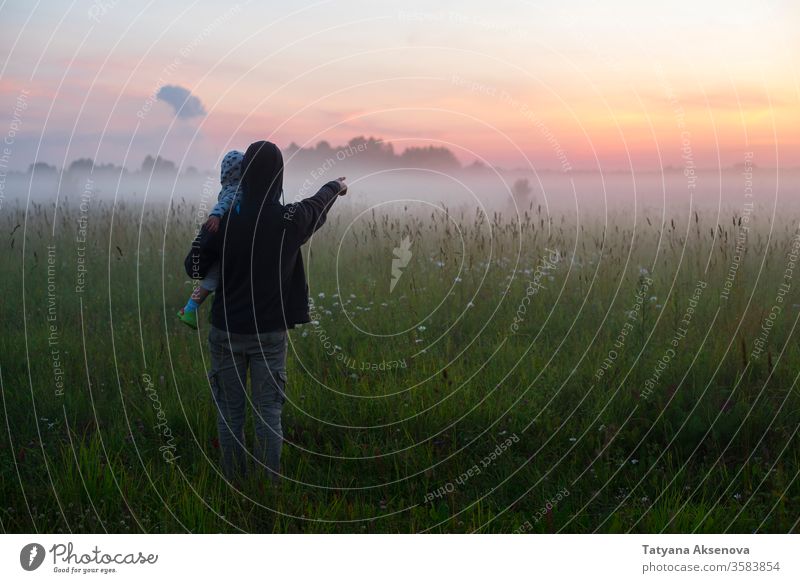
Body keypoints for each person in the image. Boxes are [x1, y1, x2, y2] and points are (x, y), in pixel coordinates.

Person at [185, 140, 347, 484]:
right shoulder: (289, 219)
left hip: (225, 331)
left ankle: (234, 483)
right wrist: (336, 186)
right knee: (268, 414)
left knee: (230, 416)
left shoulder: (226, 217)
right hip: (269, 335)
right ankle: (268, 488)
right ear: (279, 176)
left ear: (243, 174)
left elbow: (193, 266)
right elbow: (316, 205)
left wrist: (210, 230)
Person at [178, 150, 244, 329]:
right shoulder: (237, 190)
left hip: (222, 246)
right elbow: (225, 204)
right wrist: (216, 215)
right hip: (224, 247)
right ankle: (189, 309)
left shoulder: (227, 188)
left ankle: (207, 310)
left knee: (219, 280)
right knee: (212, 280)